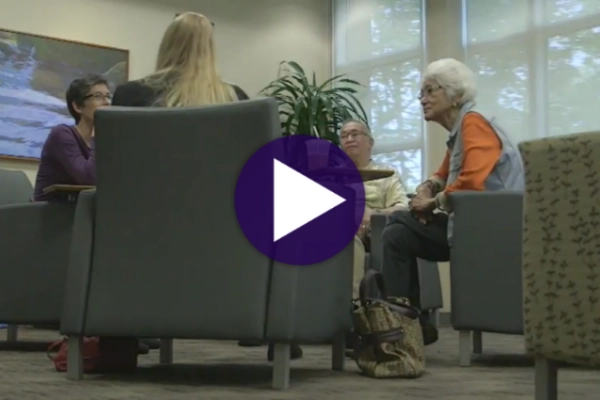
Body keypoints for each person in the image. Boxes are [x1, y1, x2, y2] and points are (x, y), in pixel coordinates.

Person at [380, 58, 525, 344]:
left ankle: (405, 324)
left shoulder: (475, 122)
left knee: (397, 220)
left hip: (493, 231)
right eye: (421, 93)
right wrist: (426, 189)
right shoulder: (459, 131)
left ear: (456, 95)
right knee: (396, 233)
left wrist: (430, 204)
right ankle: (411, 326)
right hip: (470, 228)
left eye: (430, 91)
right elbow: (442, 174)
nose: (423, 99)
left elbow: (471, 183)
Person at [111, 12, 248, 107]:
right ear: (210, 51)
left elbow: (112, 148)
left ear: (167, 46)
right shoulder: (236, 98)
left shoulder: (128, 95)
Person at [339, 120, 409, 298]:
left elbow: (402, 207)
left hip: (371, 234)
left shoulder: (386, 174)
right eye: (344, 135)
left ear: (370, 143)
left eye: (355, 134)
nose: (349, 139)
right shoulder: (331, 175)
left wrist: (373, 215)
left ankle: (353, 308)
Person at [33, 75, 110, 201]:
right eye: (98, 96)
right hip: (50, 213)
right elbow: (88, 179)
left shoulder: (107, 140)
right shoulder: (61, 134)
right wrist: (98, 136)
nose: (107, 102)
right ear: (78, 107)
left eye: (108, 96)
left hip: (83, 212)